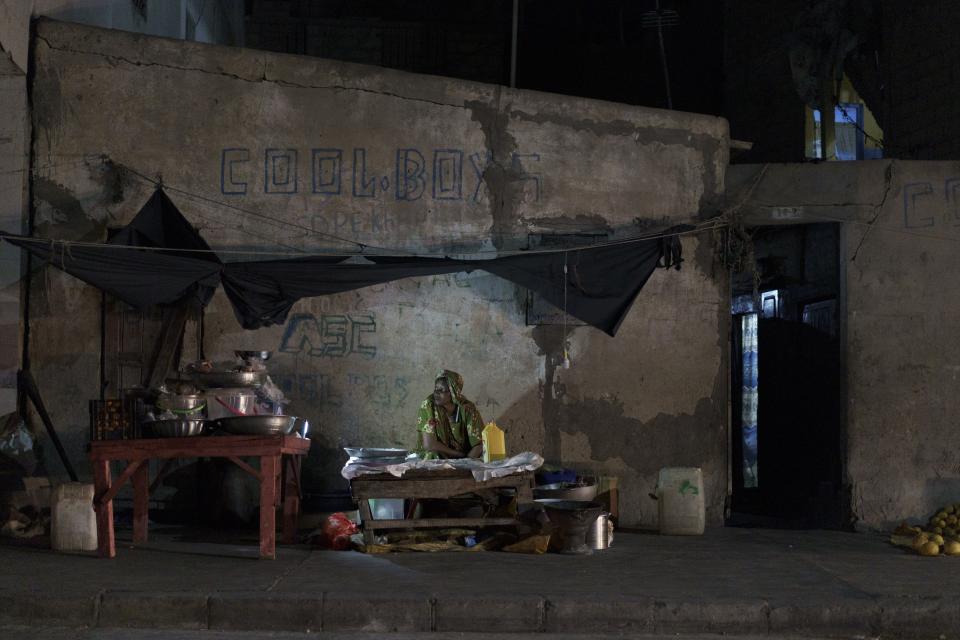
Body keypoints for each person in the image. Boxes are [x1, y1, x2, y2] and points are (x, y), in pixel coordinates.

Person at [416, 369, 484, 459]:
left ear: (453, 392)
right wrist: (458, 454)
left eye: (441, 390)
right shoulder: (428, 405)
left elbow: (479, 444)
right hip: (440, 455)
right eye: (435, 389)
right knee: (433, 455)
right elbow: (429, 445)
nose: (436, 393)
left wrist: (466, 463)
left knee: (484, 455)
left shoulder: (467, 409)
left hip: (465, 458)